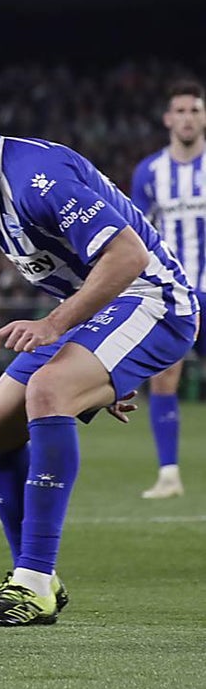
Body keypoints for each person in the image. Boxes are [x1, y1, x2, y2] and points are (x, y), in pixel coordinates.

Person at [0, 66, 197, 626]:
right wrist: (98, 363)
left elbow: (128, 256)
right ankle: (34, 580)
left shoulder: (37, 176)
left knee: (49, 387)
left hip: (156, 299)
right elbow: (72, 271)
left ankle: (33, 578)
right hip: (107, 313)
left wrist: (60, 329)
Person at [130, 78, 206, 500]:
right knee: (164, 378)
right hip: (176, 294)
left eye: (194, 109)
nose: (187, 118)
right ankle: (169, 474)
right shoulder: (150, 173)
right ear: (167, 119)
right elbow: (137, 237)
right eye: (180, 110)